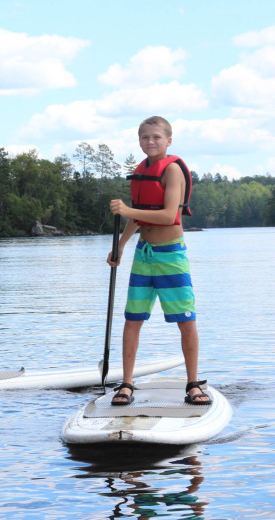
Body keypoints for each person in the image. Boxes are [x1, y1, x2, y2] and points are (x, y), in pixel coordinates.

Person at [107, 115, 210, 406]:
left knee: (185, 320)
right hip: (144, 254)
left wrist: (127, 211)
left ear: (168, 140)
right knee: (132, 319)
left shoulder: (173, 170)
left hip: (170, 254)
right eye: (144, 137)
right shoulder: (142, 170)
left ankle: (192, 384)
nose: (150, 142)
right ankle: (127, 383)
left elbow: (167, 215)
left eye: (155, 137)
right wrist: (120, 246)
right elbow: (139, 214)